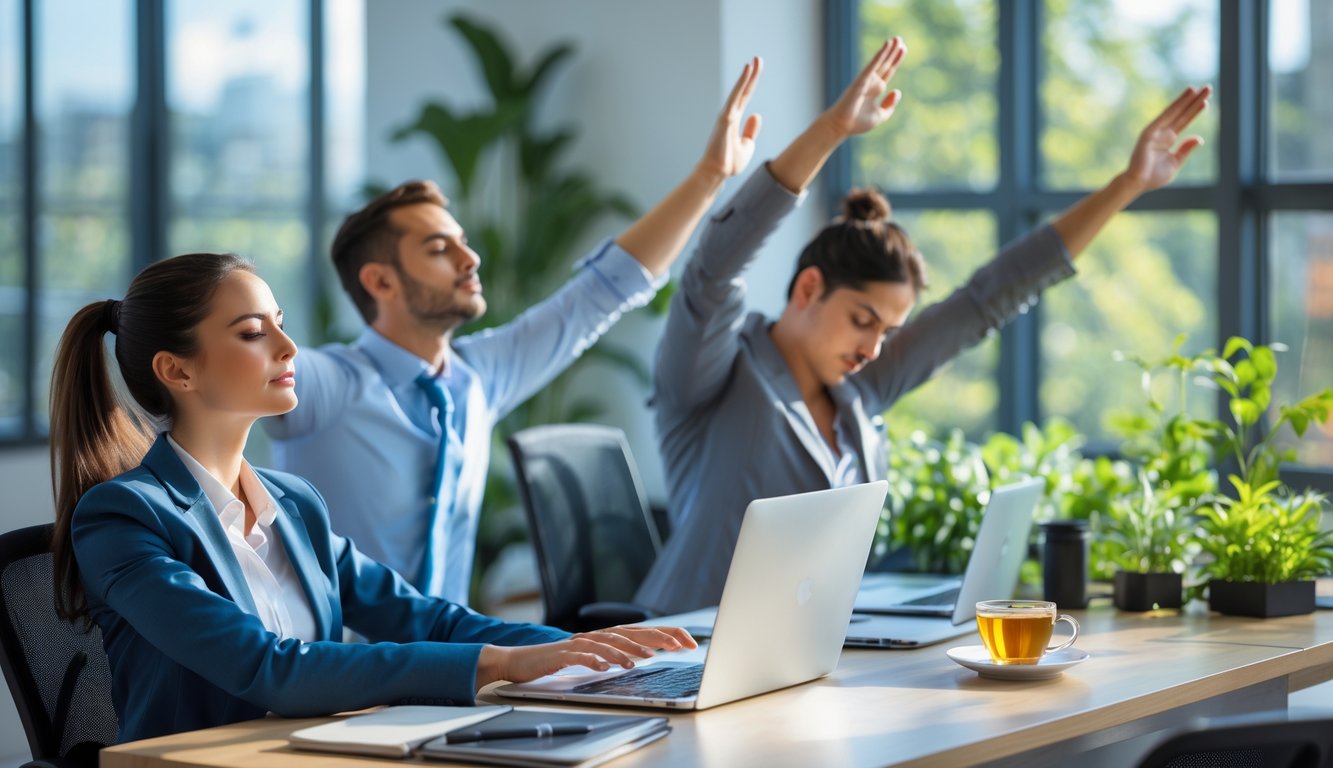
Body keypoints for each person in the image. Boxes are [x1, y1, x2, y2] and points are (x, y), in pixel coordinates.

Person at [635, 37, 1212, 614]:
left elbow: (986, 300)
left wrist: (1128, 185)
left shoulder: (858, 390)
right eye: (863, 320)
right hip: (684, 652)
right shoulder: (712, 372)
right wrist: (832, 130)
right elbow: (713, 268)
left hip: (809, 657)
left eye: (887, 329)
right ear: (809, 288)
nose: (873, 346)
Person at [50, 252, 696, 743]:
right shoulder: (124, 516)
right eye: (253, 333)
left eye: (279, 323)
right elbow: (267, 668)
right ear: (177, 370)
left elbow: (425, 619)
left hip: (321, 752)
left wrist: (589, 654)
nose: (287, 346)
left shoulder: (292, 503)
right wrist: (505, 661)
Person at [261, 59, 767, 604]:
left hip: (445, 673)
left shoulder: (478, 379)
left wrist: (711, 177)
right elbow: (216, 363)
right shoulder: (325, 386)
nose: (469, 257)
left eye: (462, 241)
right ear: (380, 280)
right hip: (340, 677)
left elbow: (603, 292)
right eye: (438, 249)